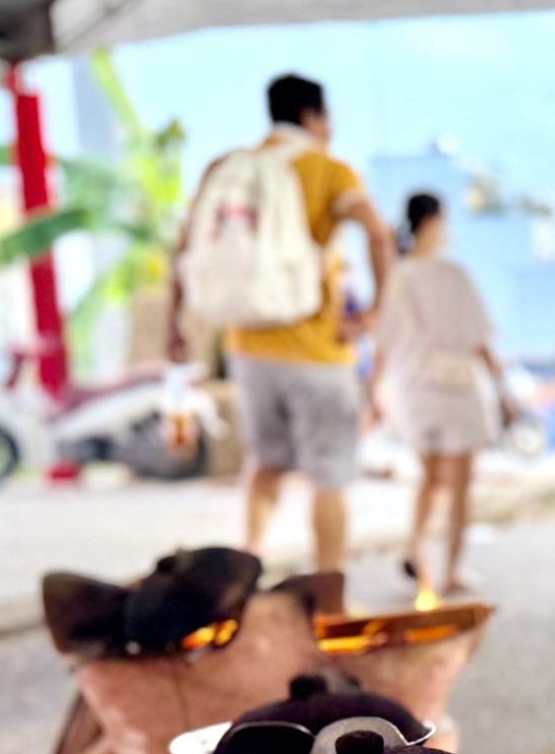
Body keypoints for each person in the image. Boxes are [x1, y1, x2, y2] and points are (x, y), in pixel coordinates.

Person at [170, 73, 394, 575]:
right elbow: (378, 235)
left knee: (265, 464)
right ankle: (328, 595)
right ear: (315, 118)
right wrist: (376, 310)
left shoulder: (227, 167)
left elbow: (182, 249)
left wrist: (174, 327)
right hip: (318, 350)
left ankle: (248, 568)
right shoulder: (328, 170)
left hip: (247, 347)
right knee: (329, 476)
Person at [373, 192, 510, 599]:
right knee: (459, 486)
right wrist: (502, 388)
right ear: (435, 222)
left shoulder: (396, 276)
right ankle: (451, 569)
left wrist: (373, 397)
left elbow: (383, 343)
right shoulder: (453, 274)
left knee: (429, 479)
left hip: (414, 390)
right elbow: (479, 339)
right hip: (457, 391)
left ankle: (417, 552)